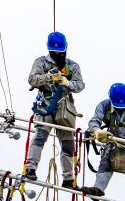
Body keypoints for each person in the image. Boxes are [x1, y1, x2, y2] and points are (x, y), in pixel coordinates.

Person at [26, 32, 84, 187]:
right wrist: (48, 77)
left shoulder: (72, 66)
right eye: (55, 51)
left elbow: (80, 85)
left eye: (60, 51)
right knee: (40, 135)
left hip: (64, 106)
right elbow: (32, 79)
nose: (58, 53)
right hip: (46, 105)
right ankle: (30, 168)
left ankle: (68, 178)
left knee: (67, 142)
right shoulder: (41, 62)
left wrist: (66, 82)